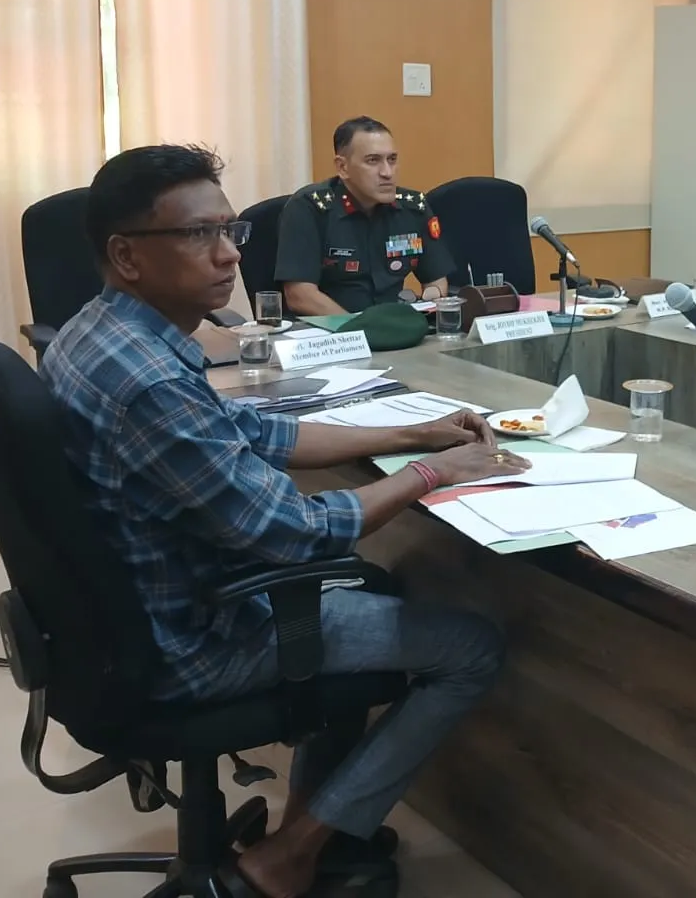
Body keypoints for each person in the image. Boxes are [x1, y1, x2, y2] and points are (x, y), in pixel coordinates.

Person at [41, 144, 530, 898]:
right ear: (126, 255)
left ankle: (316, 823)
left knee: (371, 588)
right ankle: (293, 855)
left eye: (229, 230)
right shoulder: (149, 383)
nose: (230, 255)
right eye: (198, 235)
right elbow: (296, 531)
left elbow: (255, 433)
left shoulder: (100, 332)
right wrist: (435, 473)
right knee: (471, 649)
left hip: (128, 617)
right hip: (192, 639)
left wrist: (412, 433)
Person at [275, 117, 455, 316]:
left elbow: (436, 280)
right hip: (329, 329)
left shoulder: (412, 208)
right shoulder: (309, 208)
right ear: (342, 167)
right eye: (373, 161)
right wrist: (357, 329)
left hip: (390, 326)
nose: (387, 172)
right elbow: (300, 295)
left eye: (392, 159)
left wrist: (429, 300)